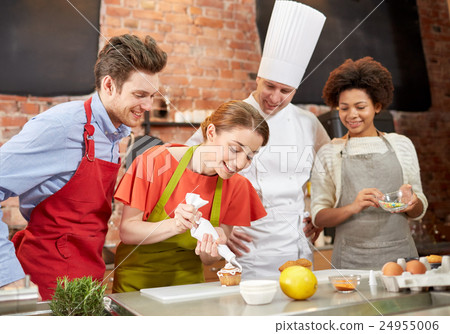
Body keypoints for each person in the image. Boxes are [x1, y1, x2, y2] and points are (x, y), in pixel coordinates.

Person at [0, 34, 167, 300]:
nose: (147, 106)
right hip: (45, 286)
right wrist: (6, 277)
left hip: (87, 282)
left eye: (151, 96)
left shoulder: (115, 133)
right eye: (140, 95)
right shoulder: (61, 126)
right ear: (109, 85)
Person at [186, 1, 330, 279]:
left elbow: (329, 169)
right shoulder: (230, 118)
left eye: (285, 90)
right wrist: (216, 225)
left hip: (296, 244)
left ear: (296, 89)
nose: (275, 98)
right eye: (270, 86)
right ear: (259, 78)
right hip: (249, 246)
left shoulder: (307, 122)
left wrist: (320, 212)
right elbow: (188, 169)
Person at [112, 100, 269, 292]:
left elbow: (208, 259)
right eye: (235, 149)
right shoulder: (153, 163)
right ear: (211, 132)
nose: (240, 164)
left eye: (250, 156)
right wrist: (174, 225)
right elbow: (127, 231)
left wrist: (213, 249)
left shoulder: (238, 187)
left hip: (188, 286)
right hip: (136, 284)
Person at [311, 57, 428, 270]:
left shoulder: (401, 146)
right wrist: (353, 207)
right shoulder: (329, 152)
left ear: (377, 106)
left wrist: (412, 202)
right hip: (350, 262)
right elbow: (319, 217)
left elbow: (418, 210)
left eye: (360, 106)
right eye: (344, 108)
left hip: (401, 259)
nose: (352, 115)